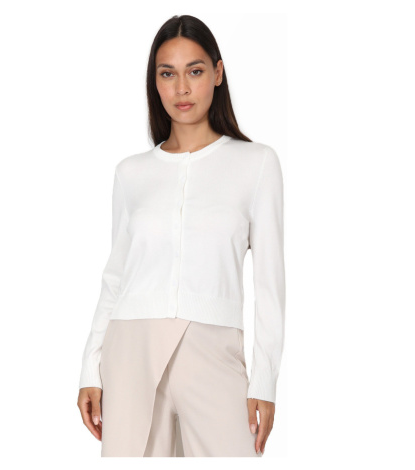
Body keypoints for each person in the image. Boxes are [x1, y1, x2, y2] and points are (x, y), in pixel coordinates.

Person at [76, 14, 286, 457]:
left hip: (214, 349)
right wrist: (90, 369)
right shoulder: (131, 173)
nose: (182, 88)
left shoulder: (257, 164)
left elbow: (270, 285)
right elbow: (116, 278)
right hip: (130, 349)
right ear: (155, 83)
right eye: (167, 74)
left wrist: (264, 380)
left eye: (195, 71)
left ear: (218, 73)